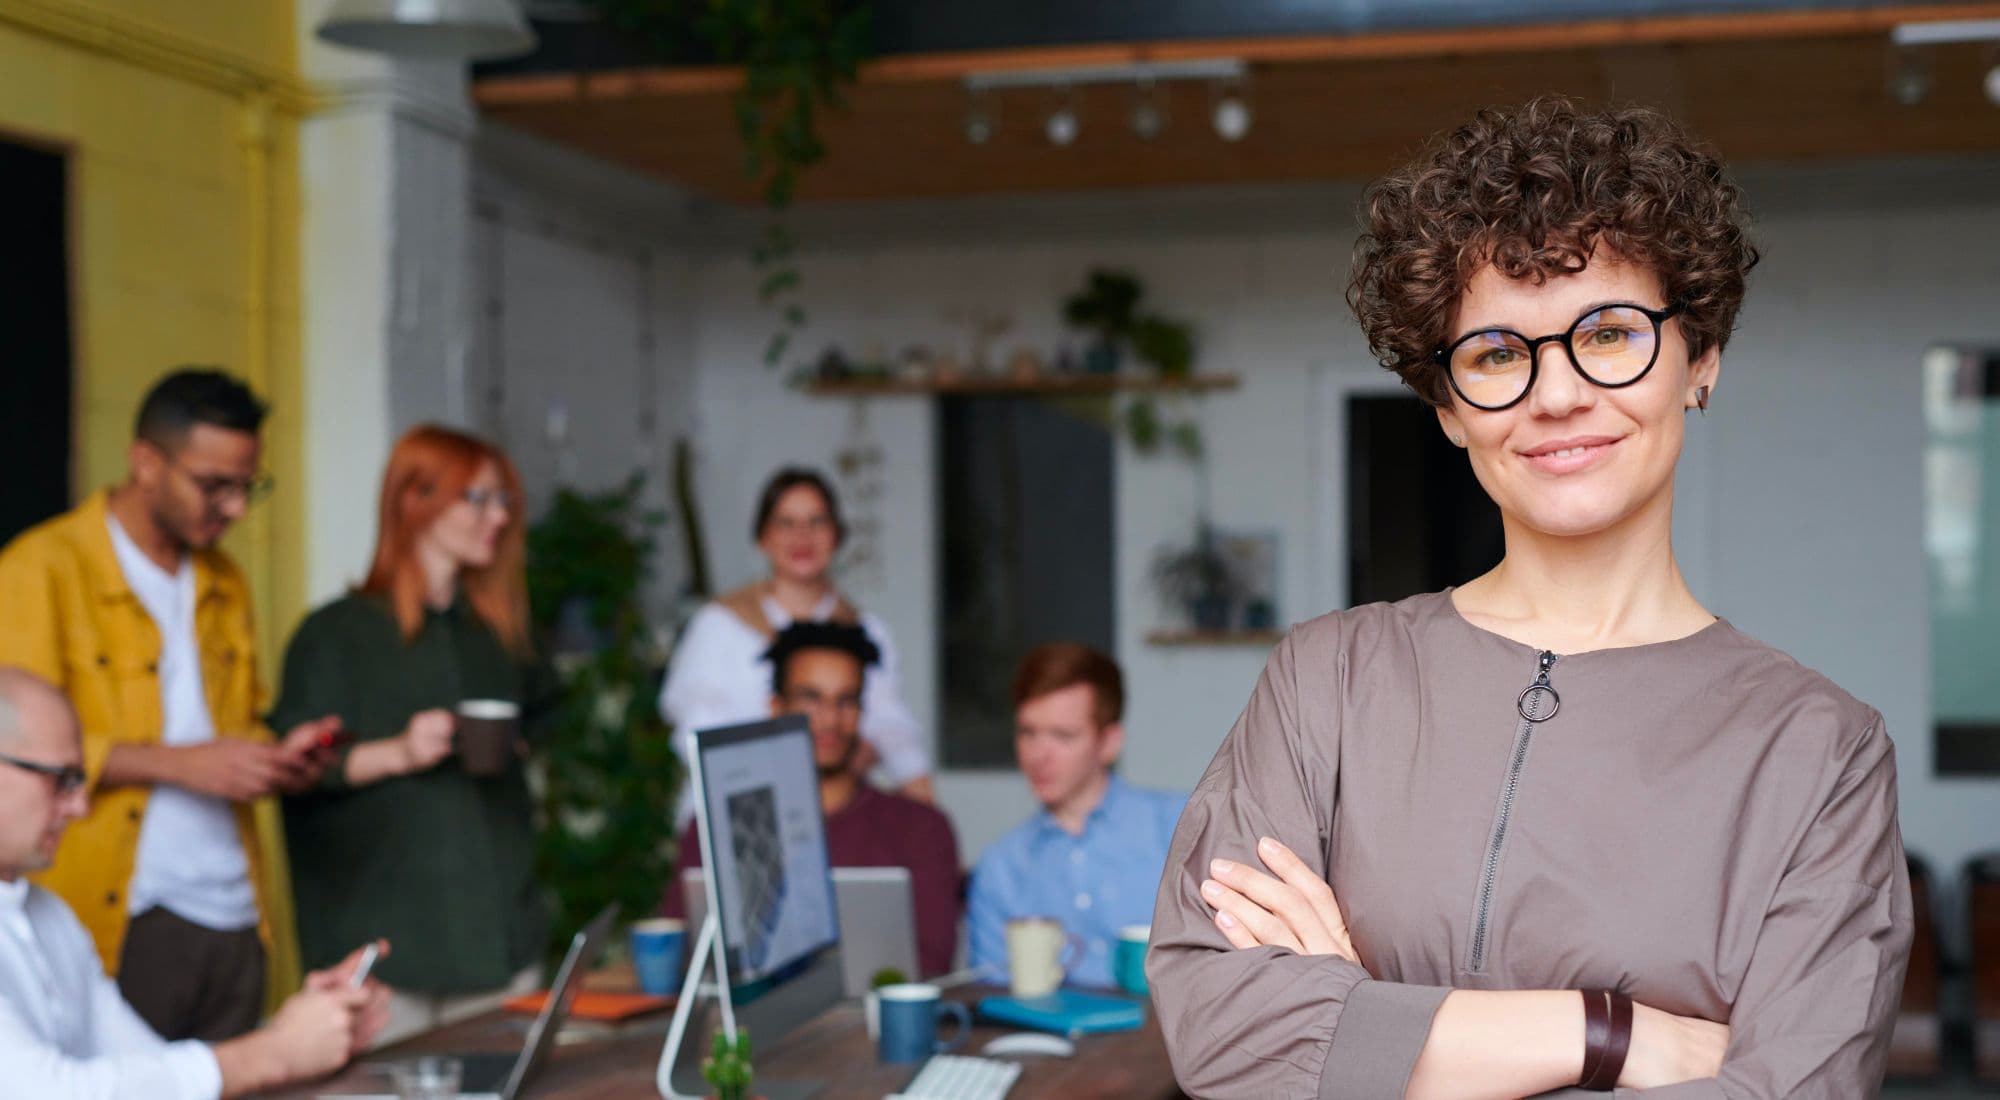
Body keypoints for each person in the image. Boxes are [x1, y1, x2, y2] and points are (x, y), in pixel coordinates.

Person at [1148, 99, 1912, 1098]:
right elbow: (1220, 1032)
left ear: (1700, 359)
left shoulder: (1818, 752)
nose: (1553, 395)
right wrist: (1609, 1035)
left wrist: (1358, 1028)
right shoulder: (1327, 680)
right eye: (1498, 354)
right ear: (1449, 408)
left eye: (1606, 332)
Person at [0, 369, 342, 1043]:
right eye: (216, 485)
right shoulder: (40, 569)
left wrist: (275, 760)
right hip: (125, 914)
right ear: (146, 463)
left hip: (237, 912)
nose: (237, 508)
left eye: (248, 486)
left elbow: (231, 725)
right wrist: (183, 766)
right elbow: (18, 751)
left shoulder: (225, 581)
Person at [271, 425, 552, 1045]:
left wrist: (513, 744)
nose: (498, 516)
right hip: (388, 949)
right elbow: (294, 767)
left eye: (503, 499)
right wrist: (400, 751)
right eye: (476, 498)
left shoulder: (498, 634)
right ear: (413, 500)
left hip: (501, 934)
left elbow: (543, 718)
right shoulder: (335, 633)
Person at [0, 666, 390, 1099]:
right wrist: (275, 1053)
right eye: (61, 780)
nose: (80, 806)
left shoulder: (51, 918)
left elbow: (142, 1067)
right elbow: (48, 1093)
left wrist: (304, 1036)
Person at [664, 622, 961, 977]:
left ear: (861, 712)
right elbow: (676, 957)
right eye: (811, 698)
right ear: (775, 707)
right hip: (752, 1025)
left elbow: (931, 966)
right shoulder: (714, 827)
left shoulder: (921, 828)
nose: (830, 719)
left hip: (872, 1026)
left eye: (846, 700)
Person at [660, 468, 933, 805]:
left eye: (816, 522)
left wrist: (913, 783)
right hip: (733, 805)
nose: (802, 536)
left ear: (836, 535)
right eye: (786, 523)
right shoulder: (719, 624)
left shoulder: (863, 631)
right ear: (763, 538)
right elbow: (697, 731)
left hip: (834, 811)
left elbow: (891, 727)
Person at [966, 644, 1185, 988]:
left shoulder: (1180, 827)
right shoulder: (1001, 866)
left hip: (1170, 1039)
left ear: (1109, 743)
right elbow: (993, 1000)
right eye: (1028, 733)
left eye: (1062, 736)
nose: (1039, 755)